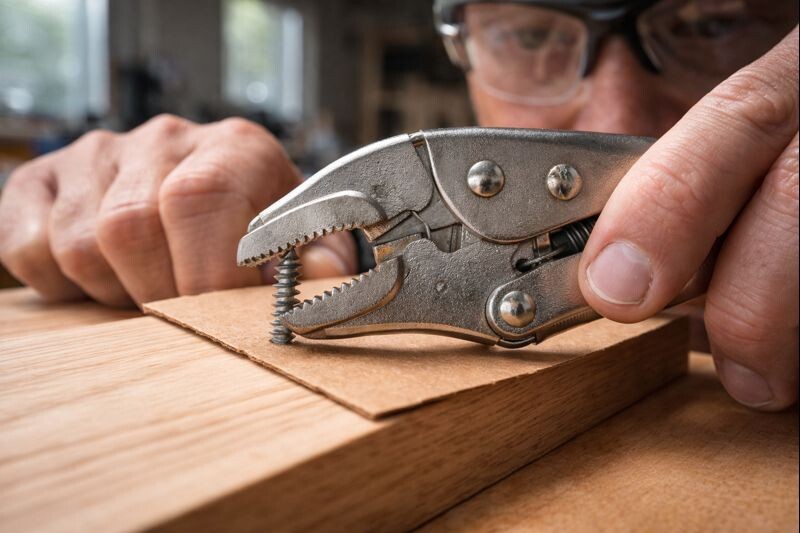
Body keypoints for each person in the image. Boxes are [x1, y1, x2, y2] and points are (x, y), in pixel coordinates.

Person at [0, 1, 796, 411]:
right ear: (462, 48)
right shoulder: (361, 247)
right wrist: (151, 187)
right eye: (528, 34)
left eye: (712, 21)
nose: (614, 117)